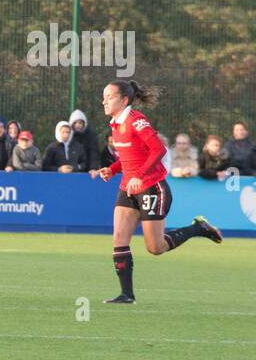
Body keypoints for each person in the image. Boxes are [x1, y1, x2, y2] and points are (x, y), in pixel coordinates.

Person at [89, 80, 221, 304]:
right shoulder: (115, 123)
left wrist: (140, 176)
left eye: (109, 97)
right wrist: (112, 170)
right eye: (104, 96)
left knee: (155, 247)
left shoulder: (135, 120)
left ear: (123, 100)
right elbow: (131, 156)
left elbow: (158, 149)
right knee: (119, 239)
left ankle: (197, 228)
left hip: (151, 186)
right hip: (128, 188)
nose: (104, 101)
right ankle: (126, 295)